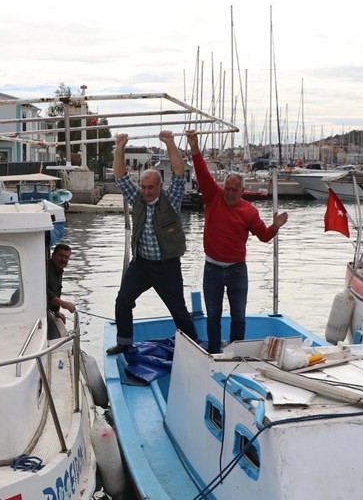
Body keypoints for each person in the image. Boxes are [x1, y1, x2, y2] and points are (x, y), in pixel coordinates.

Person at [185, 130, 288, 352]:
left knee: (238, 316)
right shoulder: (213, 197)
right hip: (212, 268)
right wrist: (194, 148)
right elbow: (202, 173)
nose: (230, 193)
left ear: (242, 191)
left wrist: (276, 226)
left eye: (234, 190)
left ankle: (235, 352)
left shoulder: (249, 212)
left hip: (237, 271)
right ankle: (213, 351)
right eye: (227, 189)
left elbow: (263, 237)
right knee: (212, 315)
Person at [106, 131, 199, 355]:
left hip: (167, 266)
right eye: (144, 187)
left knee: (178, 310)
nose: (146, 192)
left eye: (151, 188)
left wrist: (170, 143)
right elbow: (120, 177)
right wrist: (120, 147)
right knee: (123, 301)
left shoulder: (171, 199)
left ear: (159, 187)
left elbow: (178, 173)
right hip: (141, 265)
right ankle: (125, 342)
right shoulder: (137, 198)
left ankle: (193, 346)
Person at [47, 243, 75, 338]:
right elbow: (45, 292)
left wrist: (56, 311)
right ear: (53, 255)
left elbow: (56, 290)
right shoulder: (46, 268)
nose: (63, 259)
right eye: (61, 256)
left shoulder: (58, 269)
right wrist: (63, 303)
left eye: (66, 257)